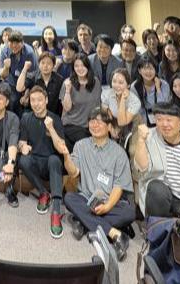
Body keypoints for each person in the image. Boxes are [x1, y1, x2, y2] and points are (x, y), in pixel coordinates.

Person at [58, 108, 135, 261]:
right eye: (92, 122)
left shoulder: (119, 153)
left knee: (129, 212)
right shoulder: (80, 145)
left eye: (99, 122)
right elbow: (73, 173)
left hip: (110, 203)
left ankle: (83, 221)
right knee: (69, 198)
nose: (95, 125)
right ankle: (115, 234)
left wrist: (107, 207)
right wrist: (66, 156)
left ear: (109, 126)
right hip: (86, 200)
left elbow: (119, 186)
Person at [17, 85, 67, 239]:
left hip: (51, 163)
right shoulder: (26, 118)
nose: (36, 103)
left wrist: (51, 129)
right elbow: (21, 141)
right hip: (35, 161)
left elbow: (61, 148)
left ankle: (56, 210)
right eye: (33, 100)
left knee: (54, 160)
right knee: (23, 160)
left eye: (39, 100)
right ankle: (43, 192)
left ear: (46, 100)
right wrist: (22, 146)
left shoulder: (55, 119)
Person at [133, 103, 180, 219]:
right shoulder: (149, 137)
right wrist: (141, 140)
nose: (164, 124)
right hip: (163, 195)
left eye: (169, 120)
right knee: (156, 188)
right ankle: (158, 225)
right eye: (159, 119)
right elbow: (141, 167)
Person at [60, 54, 102, 150]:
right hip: (72, 124)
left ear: (88, 66)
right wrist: (67, 91)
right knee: (85, 142)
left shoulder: (96, 82)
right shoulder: (68, 83)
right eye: (76, 66)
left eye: (83, 65)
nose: (80, 68)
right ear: (73, 68)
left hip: (90, 125)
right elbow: (67, 108)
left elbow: (98, 105)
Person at [0, 30, 37, 115]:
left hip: (25, 85)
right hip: (11, 83)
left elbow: (31, 77)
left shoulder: (29, 53)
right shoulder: (5, 51)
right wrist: (6, 67)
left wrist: (26, 93)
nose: (14, 46)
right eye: (11, 43)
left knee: (24, 109)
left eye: (17, 43)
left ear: (22, 43)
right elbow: (3, 76)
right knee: (10, 103)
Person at [101, 68, 141, 145]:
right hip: (114, 122)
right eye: (114, 81)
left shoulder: (135, 101)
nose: (116, 85)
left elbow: (122, 122)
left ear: (128, 85)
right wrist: (111, 128)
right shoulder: (107, 94)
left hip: (132, 123)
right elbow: (105, 112)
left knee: (132, 149)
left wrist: (123, 99)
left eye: (121, 82)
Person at [131, 57, 171, 128]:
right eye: (145, 68)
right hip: (143, 122)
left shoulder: (164, 85)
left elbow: (163, 107)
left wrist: (158, 89)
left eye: (151, 68)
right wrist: (144, 126)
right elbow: (137, 110)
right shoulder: (135, 87)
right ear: (139, 70)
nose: (148, 72)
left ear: (155, 70)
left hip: (163, 120)